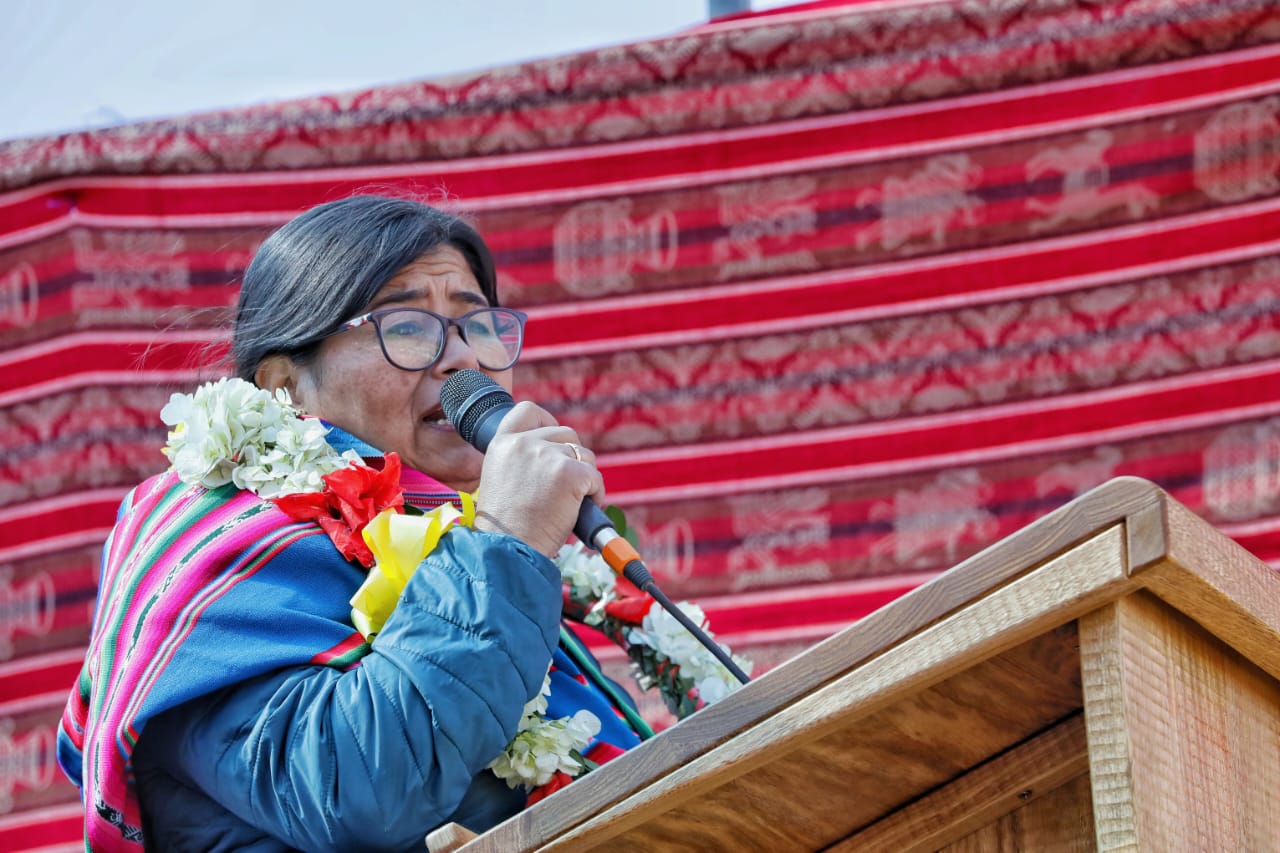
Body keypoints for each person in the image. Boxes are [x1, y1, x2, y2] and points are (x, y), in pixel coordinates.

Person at [56, 195, 649, 852]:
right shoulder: (210, 566)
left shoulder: (465, 552)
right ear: (283, 387)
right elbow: (357, 788)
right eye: (407, 325)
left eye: (476, 323)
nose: (462, 357)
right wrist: (508, 537)